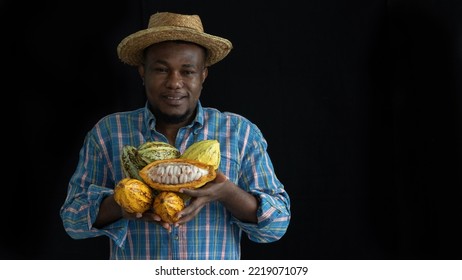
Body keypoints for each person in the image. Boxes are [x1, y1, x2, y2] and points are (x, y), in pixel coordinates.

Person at [60, 11, 291, 260]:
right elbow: (72, 221)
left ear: (203, 75)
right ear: (142, 72)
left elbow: (277, 225)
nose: (174, 82)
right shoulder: (109, 133)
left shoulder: (239, 133)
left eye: (188, 71)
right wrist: (124, 204)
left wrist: (227, 193)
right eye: (161, 69)